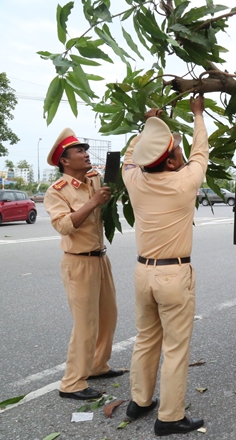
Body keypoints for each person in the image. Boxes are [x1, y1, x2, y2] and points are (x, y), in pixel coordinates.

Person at [121, 95, 207, 436]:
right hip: (174, 275)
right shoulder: (183, 183)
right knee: (174, 347)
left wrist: (147, 128)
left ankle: (139, 401)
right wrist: (198, 115)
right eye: (176, 151)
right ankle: (170, 418)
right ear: (171, 163)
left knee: (145, 339)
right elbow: (202, 152)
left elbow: (130, 158)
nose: (183, 155)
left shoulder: (135, 181)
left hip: (143, 273)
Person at [44, 129, 123, 401]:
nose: (86, 154)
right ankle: (72, 383)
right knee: (85, 323)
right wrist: (93, 202)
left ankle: (97, 366)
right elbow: (65, 226)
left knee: (108, 316)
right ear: (64, 161)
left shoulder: (93, 179)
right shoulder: (56, 192)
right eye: (79, 151)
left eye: (85, 150)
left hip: (100, 258)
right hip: (78, 263)